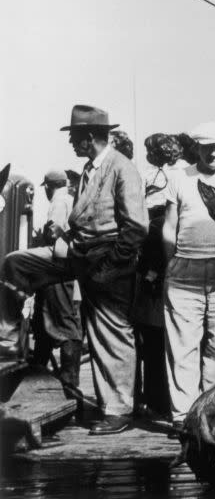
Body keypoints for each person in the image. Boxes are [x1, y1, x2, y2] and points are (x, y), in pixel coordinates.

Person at [0, 105, 148, 433]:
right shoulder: (89, 170)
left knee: (110, 332)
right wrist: (64, 236)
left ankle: (118, 411)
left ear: (91, 137)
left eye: (75, 137)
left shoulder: (122, 169)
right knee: (16, 263)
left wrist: (111, 267)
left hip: (108, 262)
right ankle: (7, 338)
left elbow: (136, 227)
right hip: (79, 254)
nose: (71, 144)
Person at [163, 122, 215, 430]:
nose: (214, 153)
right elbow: (169, 225)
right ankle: (182, 417)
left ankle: (211, 412)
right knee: (183, 345)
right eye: (208, 147)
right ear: (197, 148)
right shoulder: (179, 177)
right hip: (186, 269)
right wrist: (170, 263)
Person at [132, 134, 184, 419]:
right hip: (178, 261)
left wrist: (152, 269)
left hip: (155, 263)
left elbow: (150, 226)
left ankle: (156, 398)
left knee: (152, 336)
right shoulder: (185, 174)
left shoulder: (153, 178)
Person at [29, 169, 84, 395]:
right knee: (44, 322)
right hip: (65, 271)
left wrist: (38, 241)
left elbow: (54, 233)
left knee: (64, 324)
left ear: (49, 187)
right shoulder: (71, 198)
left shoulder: (59, 201)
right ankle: (38, 372)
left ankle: (69, 383)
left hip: (57, 269)